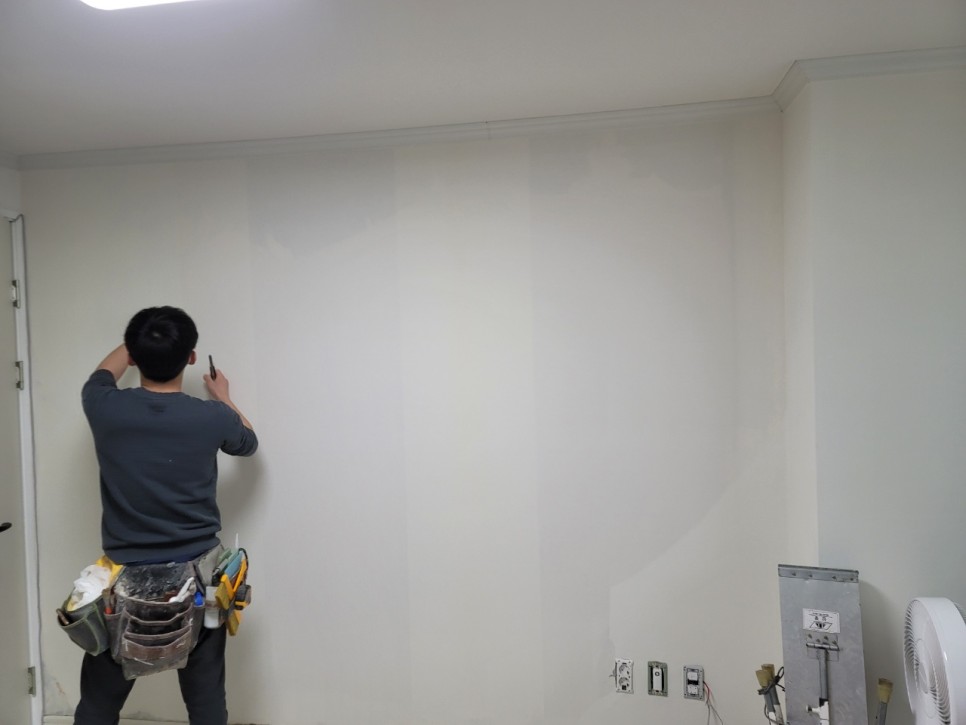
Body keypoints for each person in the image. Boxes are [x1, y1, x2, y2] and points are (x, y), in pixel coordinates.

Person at [74, 306, 258, 725]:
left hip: (123, 582)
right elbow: (248, 443)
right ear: (191, 357)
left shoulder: (102, 404)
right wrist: (223, 396)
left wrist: (142, 341)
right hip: (200, 580)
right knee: (206, 703)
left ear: (132, 355)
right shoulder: (212, 417)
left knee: (99, 705)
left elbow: (104, 371)